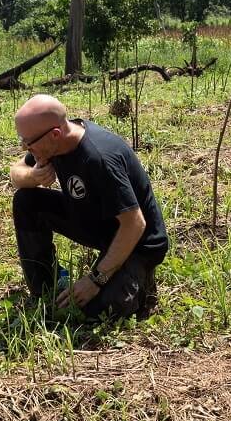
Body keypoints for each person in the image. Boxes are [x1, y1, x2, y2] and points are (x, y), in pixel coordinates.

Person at [9, 94, 168, 319]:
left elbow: (134, 224)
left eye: (28, 142)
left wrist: (95, 279)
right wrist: (34, 176)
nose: (25, 146)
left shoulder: (99, 158)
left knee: (93, 313)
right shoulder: (52, 143)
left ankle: (139, 282)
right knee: (26, 201)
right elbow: (15, 174)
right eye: (22, 140)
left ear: (55, 134)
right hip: (96, 220)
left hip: (137, 242)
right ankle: (44, 288)